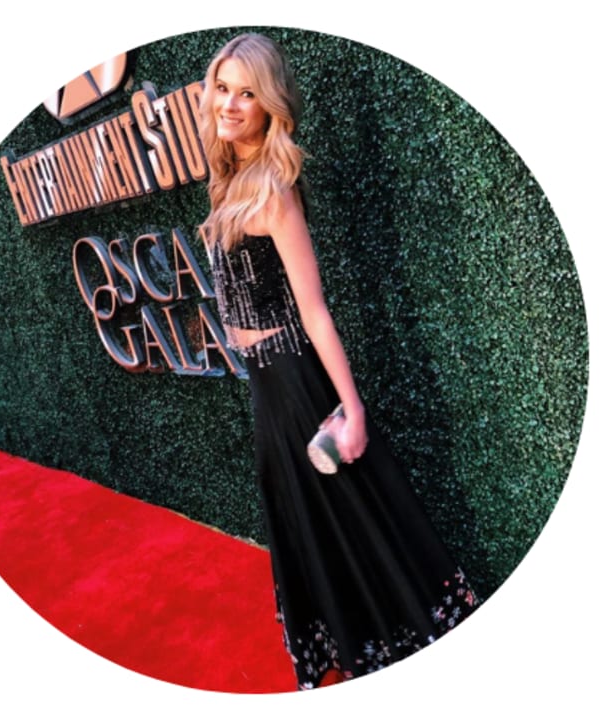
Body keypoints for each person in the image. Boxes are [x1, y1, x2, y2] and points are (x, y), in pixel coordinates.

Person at [198, 33, 479, 691]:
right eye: (223, 89)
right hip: (266, 382)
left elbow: (314, 309)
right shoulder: (230, 183)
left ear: (270, 106)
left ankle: (409, 633)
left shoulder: (274, 190)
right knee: (312, 519)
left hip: (294, 376)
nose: (231, 104)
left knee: (348, 512)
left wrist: (351, 409)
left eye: (247, 93)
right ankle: (355, 637)